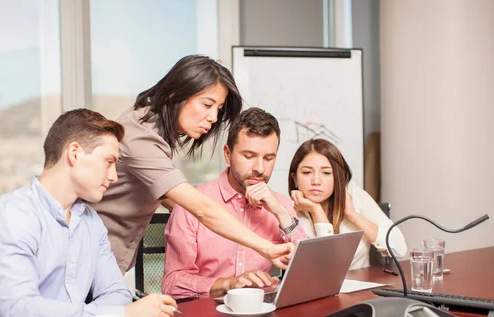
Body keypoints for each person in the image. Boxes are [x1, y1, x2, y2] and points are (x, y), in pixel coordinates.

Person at [0, 109, 177, 317]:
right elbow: (19, 316)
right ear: (74, 153)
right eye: (109, 162)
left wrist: (111, 312)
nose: (114, 176)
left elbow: (116, 292)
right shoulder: (12, 215)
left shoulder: (91, 222)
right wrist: (120, 315)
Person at [92, 55, 293, 275]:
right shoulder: (140, 136)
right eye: (207, 104)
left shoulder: (155, 129)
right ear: (175, 93)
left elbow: (164, 192)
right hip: (91, 261)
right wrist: (266, 247)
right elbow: (202, 208)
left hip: (106, 263)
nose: (213, 117)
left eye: (218, 109)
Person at [162, 107, 308, 299]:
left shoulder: (281, 206)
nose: (259, 168)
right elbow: (172, 284)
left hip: (260, 315)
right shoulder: (193, 203)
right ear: (227, 154)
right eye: (249, 156)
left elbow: (310, 270)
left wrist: (281, 213)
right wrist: (227, 284)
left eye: (269, 158)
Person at [288, 138, 407, 270]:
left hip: (361, 287)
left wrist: (352, 215)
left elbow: (399, 249)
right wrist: (316, 210)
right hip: (315, 289)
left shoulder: (355, 196)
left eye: (326, 173)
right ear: (294, 178)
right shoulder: (288, 211)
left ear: (338, 177)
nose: (316, 181)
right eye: (307, 172)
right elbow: (327, 270)